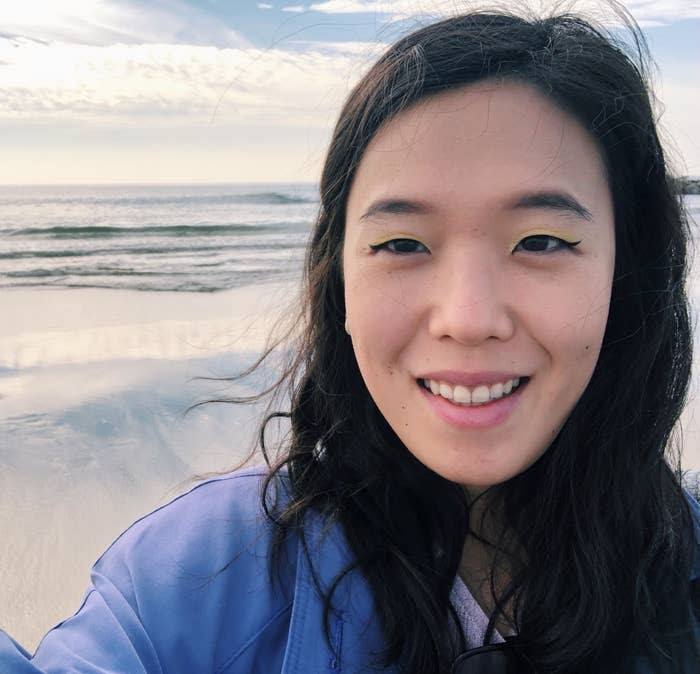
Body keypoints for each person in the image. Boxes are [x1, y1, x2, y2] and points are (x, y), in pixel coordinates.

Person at [3, 5, 700, 674]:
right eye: (402, 243)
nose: (466, 317)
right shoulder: (202, 575)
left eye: (541, 241)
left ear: (627, 274)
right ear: (340, 285)